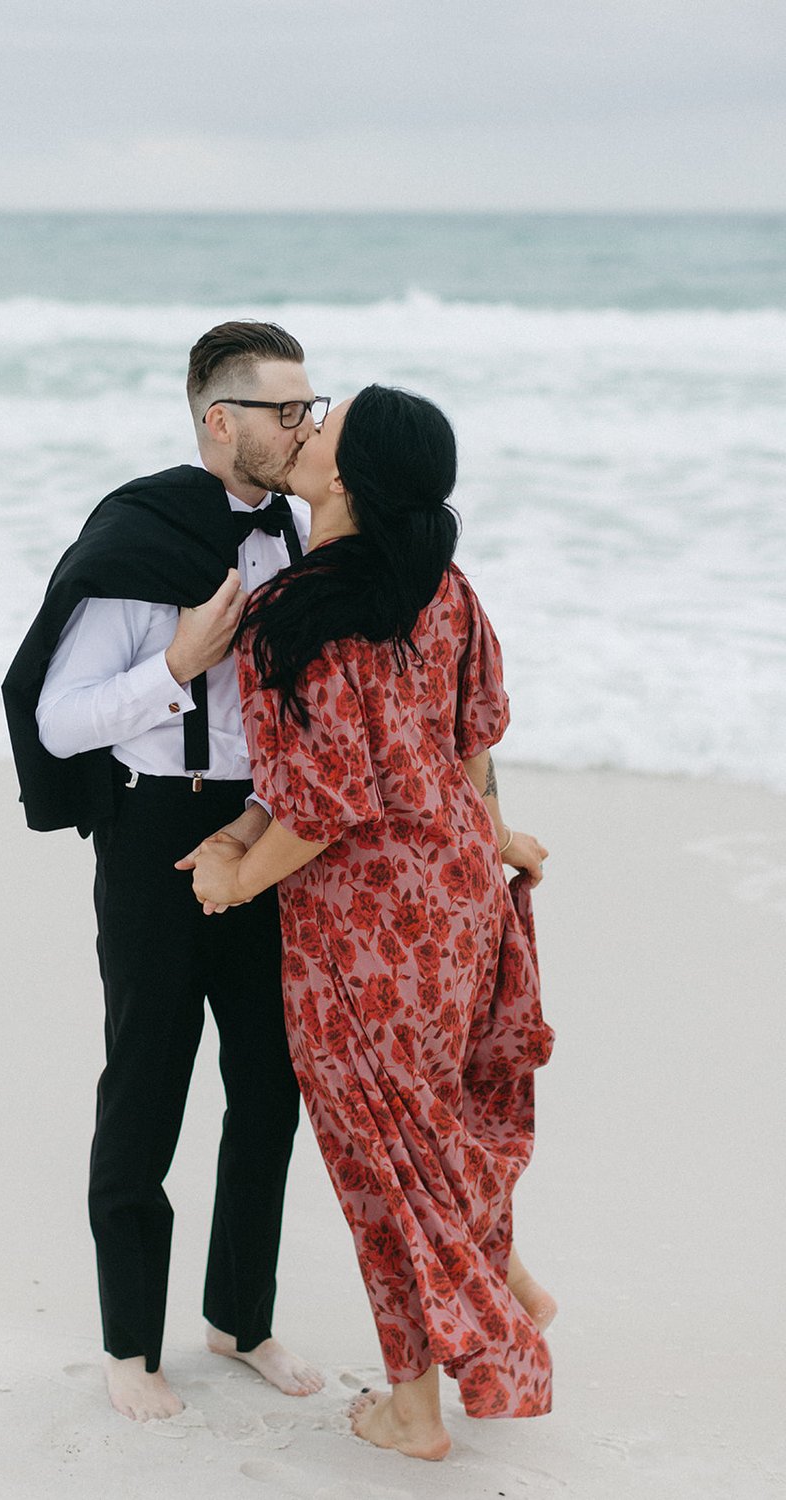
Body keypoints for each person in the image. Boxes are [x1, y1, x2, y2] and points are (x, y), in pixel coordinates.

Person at [180, 386, 556, 1460]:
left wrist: (235, 879)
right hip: (453, 898)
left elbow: (330, 800)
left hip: (361, 923)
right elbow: (469, 735)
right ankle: (498, 1286)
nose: (304, 426)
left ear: (342, 475)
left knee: (377, 1158)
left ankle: (415, 1409)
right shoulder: (443, 588)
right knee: (428, 1124)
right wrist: (492, 835)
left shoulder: (296, 612)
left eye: (322, 420)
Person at [1, 321, 329, 1421]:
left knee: (269, 1085)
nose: (303, 427)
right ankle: (128, 1344)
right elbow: (54, 719)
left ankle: (240, 1319)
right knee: (147, 1080)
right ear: (218, 420)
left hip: (265, 836)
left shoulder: (296, 535)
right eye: (285, 410)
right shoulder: (135, 538)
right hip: (151, 836)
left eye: (309, 408)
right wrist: (179, 668)